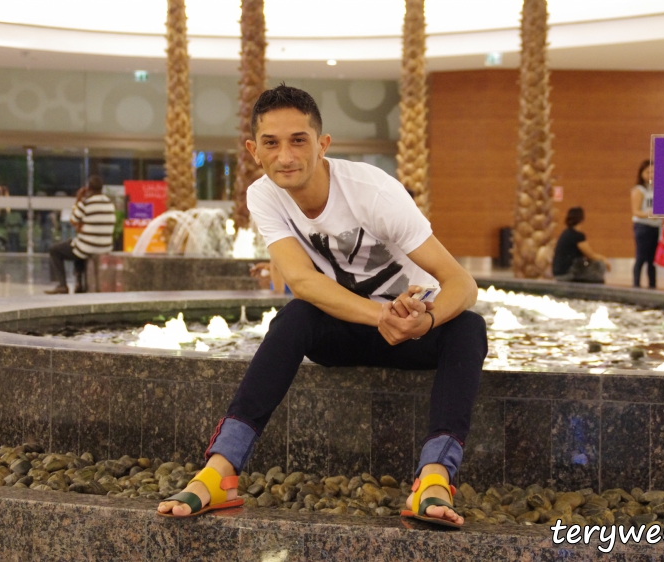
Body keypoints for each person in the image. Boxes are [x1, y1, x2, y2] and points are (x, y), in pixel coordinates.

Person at [157, 85, 487, 528]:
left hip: (411, 334)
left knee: (468, 327)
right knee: (296, 315)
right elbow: (302, 281)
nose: (285, 156)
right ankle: (220, 472)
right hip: (349, 330)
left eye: (299, 140)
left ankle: (434, 477)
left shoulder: (373, 193)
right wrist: (379, 315)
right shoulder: (264, 195)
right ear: (254, 150)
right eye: (271, 143)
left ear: (322, 144)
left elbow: (463, 283)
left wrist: (424, 321)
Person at [45, 175, 116, 294]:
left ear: (88, 188)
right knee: (78, 245)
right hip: (105, 247)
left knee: (55, 250)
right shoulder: (110, 204)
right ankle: (79, 284)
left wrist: (78, 198)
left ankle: (62, 285)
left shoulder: (86, 203)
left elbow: (73, 220)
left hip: (87, 246)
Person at [552, 206, 610, 283]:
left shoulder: (566, 233)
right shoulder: (577, 236)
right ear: (581, 219)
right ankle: (596, 289)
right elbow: (590, 255)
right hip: (568, 273)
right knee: (599, 265)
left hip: (558, 272)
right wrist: (604, 259)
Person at [631, 159, 661, 288]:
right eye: (648, 172)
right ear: (642, 173)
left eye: (653, 172)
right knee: (641, 257)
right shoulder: (639, 190)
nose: (651, 175)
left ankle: (652, 286)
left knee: (652, 260)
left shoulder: (657, 189)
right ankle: (636, 285)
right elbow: (636, 211)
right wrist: (650, 214)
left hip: (655, 227)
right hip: (643, 227)